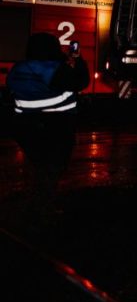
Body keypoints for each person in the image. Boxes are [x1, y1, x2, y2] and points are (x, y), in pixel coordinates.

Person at [5, 32, 90, 212]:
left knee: (40, 166)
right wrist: (78, 60)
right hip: (57, 125)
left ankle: (36, 205)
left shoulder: (18, 69)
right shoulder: (55, 69)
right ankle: (43, 210)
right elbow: (82, 81)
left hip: (25, 126)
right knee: (52, 169)